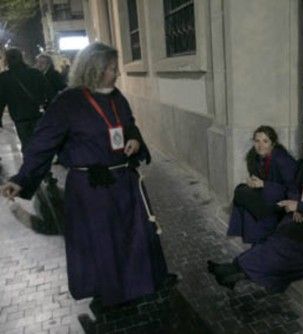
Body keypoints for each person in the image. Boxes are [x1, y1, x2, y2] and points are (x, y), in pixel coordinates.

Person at [1, 42, 175, 306]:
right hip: (91, 187)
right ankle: (115, 293)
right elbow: (42, 144)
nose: (116, 74)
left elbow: (129, 126)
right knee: (104, 242)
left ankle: (140, 283)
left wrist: (135, 141)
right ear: (93, 69)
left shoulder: (117, 97)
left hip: (124, 182)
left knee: (134, 237)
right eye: (111, 69)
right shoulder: (67, 102)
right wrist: (21, 178)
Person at [208, 120, 303, 292]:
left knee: (287, 248)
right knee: (278, 238)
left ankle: (237, 270)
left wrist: (301, 207)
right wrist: (297, 203)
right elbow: (295, 185)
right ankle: (235, 269)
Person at [226, 125, 297, 244]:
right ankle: (251, 236)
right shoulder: (256, 157)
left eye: (265, 141)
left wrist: (264, 184)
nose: (260, 145)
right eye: (257, 141)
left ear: (273, 143)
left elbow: (292, 187)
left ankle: (257, 236)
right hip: (269, 193)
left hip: (283, 197)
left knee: (246, 199)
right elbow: (260, 178)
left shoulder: (282, 159)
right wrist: (253, 181)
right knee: (241, 191)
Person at [0, 48, 48, 148]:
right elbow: (47, 92)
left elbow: (1, 100)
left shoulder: (4, 78)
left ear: (7, 60)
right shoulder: (35, 73)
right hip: (37, 114)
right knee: (41, 144)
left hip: (19, 117)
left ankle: (30, 162)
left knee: (26, 145)